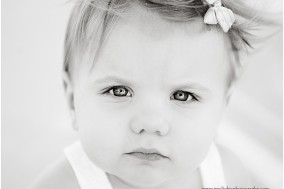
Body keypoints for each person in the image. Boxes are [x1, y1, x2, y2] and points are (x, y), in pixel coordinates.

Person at [30, 0, 279, 188]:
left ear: (221, 109)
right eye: (119, 91)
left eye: (183, 95)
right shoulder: (62, 184)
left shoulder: (227, 172)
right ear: (72, 100)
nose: (150, 124)